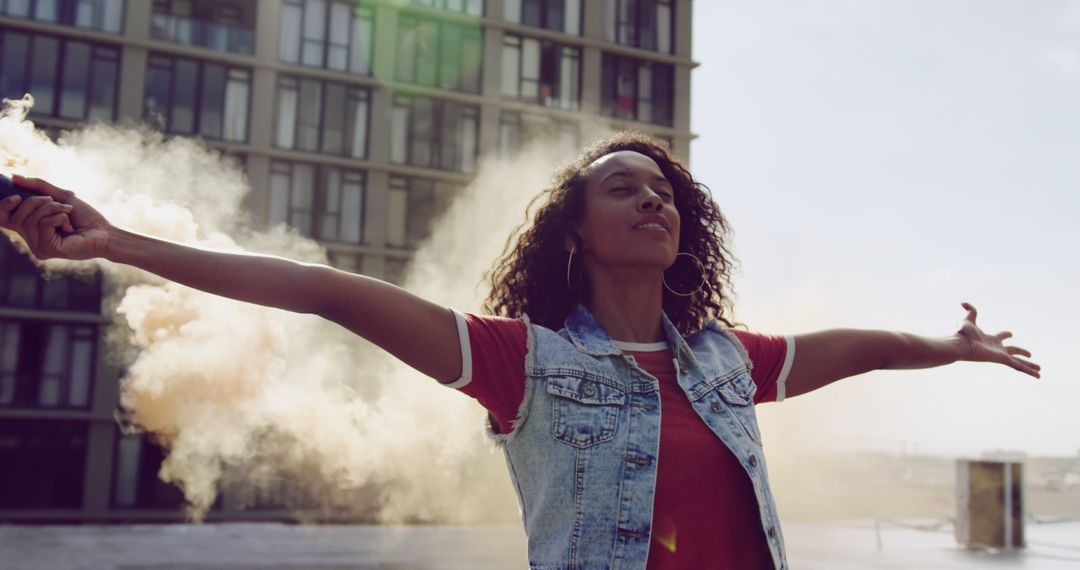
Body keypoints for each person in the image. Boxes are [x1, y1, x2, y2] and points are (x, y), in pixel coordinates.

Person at [0, 133, 1040, 570]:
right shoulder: (519, 361)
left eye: (665, 189)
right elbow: (319, 291)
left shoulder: (725, 360)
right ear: (574, 233)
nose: (653, 198)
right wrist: (116, 243)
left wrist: (949, 348)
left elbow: (846, 349)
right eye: (624, 187)